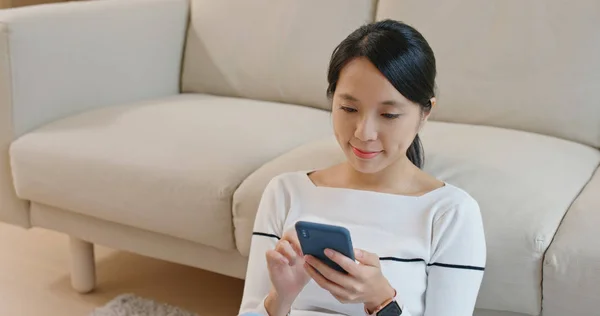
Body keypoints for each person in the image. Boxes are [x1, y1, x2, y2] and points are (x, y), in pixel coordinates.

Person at [238, 20, 486, 316]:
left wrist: (382, 302)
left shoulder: (450, 213)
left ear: (425, 112)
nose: (364, 133)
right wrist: (280, 299)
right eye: (349, 109)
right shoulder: (285, 192)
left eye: (389, 114)